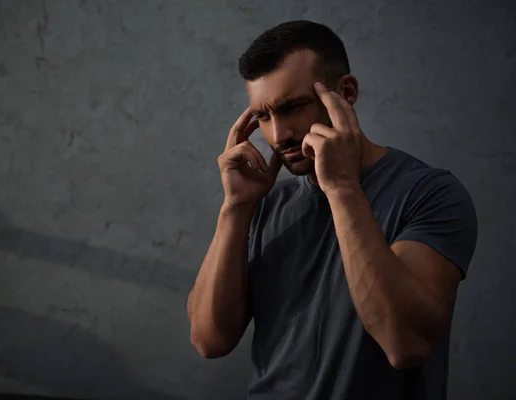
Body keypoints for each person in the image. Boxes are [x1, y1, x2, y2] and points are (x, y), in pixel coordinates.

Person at [186, 20, 478, 400]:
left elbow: (405, 343)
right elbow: (209, 341)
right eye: (262, 117)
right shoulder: (264, 207)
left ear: (346, 92)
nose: (278, 135)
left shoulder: (430, 194)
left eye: (291, 107)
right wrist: (235, 207)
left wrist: (341, 188)